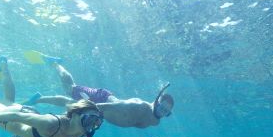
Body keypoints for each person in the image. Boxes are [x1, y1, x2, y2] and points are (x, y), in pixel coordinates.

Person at [0, 56, 103, 137]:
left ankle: (3, 65)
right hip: (11, 119)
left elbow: (68, 102)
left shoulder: (84, 131)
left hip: (31, 115)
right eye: (89, 120)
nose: (92, 126)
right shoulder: (50, 124)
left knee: (8, 100)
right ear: (75, 115)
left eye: (96, 123)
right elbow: (16, 117)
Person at [22, 55, 174, 128]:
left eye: (166, 112)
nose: (162, 112)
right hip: (100, 99)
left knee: (70, 99)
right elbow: (112, 107)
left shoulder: (156, 121)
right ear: (156, 101)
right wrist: (85, 108)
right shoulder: (140, 106)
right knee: (70, 89)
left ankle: (39, 98)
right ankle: (55, 63)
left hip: (101, 110)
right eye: (161, 107)